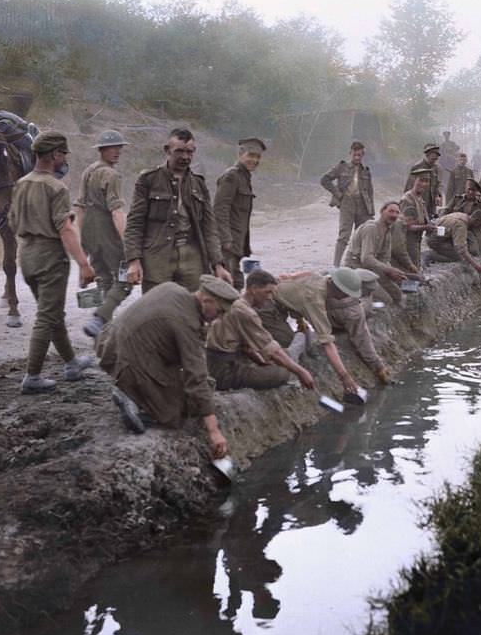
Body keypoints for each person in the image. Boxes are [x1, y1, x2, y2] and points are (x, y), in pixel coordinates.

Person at [97, 275, 237, 458]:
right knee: (181, 410)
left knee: (198, 389)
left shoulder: (173, 288)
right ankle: (133, 397)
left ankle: (132, 390)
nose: (220, 318)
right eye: (219, 312)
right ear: (206, 301)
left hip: (109, 347)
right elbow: (196, 378)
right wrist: (214, 430)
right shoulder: (186, 322)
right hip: (129, 363)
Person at [8, 130, 96, 393]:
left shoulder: (21, 183)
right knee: (47, 317)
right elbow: (65, 230)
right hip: (50, 257)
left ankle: (71, 364)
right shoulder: (56, 187)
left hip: (27, 256)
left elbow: (12, 222)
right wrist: (83, 263)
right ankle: (32, 377)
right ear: (55, 154)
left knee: (53, 313)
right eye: (63, 154)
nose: (64, 158)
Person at [124, 128, 230, 293]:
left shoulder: (198, 184)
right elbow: (135, 223)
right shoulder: (148, 180)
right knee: (157, 310)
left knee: (194, 308)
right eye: (179, 151)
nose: (185, 157)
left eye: (190, 152)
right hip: (158, 257)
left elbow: (209, 227)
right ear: (167, 150)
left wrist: (218, 264)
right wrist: (133, 260)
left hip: (192, 257)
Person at [257, 267, 390, 391]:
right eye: (346, 294)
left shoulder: (322, 279)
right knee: (290, 344)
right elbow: (327, 343)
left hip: (279, 303)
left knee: (300, 338)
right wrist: (344, 376)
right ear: (339, 290)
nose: (347, 298)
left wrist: (299, 318)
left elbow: (305, 277)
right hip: (266, 306)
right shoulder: (315, 300)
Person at [206, 269, 316, 391]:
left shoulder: (238, 304)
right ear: (253, 289)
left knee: (279, 359)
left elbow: (246, 347)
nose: (270, 298)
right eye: (267, 292)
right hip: (223, 371)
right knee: (282, 373)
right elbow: (272, 350)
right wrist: (301, 372)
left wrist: (261, 362)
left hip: (219, 362)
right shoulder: (245, 312)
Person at [76, 130, 133, 338]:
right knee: (125, 280)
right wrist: (128, 243)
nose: (117, 151)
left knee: (105, 280)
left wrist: (82, 240)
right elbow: (117, 211)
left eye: (119, 147)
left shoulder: (88, 171)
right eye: (112, 148)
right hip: (107, 231)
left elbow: (80, 208)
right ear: (101, 150)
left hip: (90, 231)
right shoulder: (111, 174)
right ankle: (100, 318)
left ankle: (103, 335)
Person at [215, 137, 266, 289]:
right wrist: (225, 238)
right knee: (226, 287)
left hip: (236, 243)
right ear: (240, 155)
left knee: (237, 284)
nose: (254, 160)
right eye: (251, 155)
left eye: (257, 157)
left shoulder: (244, 177)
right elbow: (220, 208)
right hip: (227, 244)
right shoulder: (232, 176)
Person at [342, 200, 417, 304]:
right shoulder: (371, 228)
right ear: (382, 211)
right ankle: (357, 297)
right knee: (386, 300)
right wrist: (389, 269)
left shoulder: (387, 232)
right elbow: (366, 259)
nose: (394, 215)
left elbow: (384, 259)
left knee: (397, 295)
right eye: (391, 211)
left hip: (371, 270)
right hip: (355, 269)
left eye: (397, 212)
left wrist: (392, 273)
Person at [321, 140, 375, 267]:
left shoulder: (365, 171)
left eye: (360, 155)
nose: (357, 157)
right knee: (344, 235)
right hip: (347, 203)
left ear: (363, 155)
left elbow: (370, 191)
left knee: (363, 234)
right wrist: (338, 194)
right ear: (350, 153)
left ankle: (357, 263)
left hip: (362, 205)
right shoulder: (342, 167)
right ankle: (336, 266)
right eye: (354, 154)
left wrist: (371, 211)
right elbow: (324, 180)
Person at [424, 210, 481, 274]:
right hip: (435, 241)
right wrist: (477, 267)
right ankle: (432, 255)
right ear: (476, 221)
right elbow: (461, 250)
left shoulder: (462, 215)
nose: (480, 227)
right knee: (458, 257)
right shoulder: (461, 226)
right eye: (480, 224)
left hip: (435, 236)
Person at [400, 168, 433, 267]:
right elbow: (407, 227)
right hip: (407, 241)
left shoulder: (420, 199)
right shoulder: (408, 200)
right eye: (421, 180)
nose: (423, 184)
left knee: (416, 266)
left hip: (416, 239)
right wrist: (426, 227)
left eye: (426, 181)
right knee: (411, 268)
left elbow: (422, 220)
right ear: (414, 181)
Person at [404, 144, 443, 215]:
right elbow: (409, 185)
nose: (434, 161)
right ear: (427, 155)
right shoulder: (418, 166)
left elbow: (438, 183)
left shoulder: (437, 167)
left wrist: (438, 195)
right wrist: (409, 200)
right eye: (432, 159)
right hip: (419, 199)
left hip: (431, 202)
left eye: (436, 159)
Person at [391, 205, 424, 275]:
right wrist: (410, 265)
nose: (411, 226)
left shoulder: (398, 222)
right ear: (410, 219)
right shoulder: (399, 224)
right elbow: (399, 249)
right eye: (413, 223)